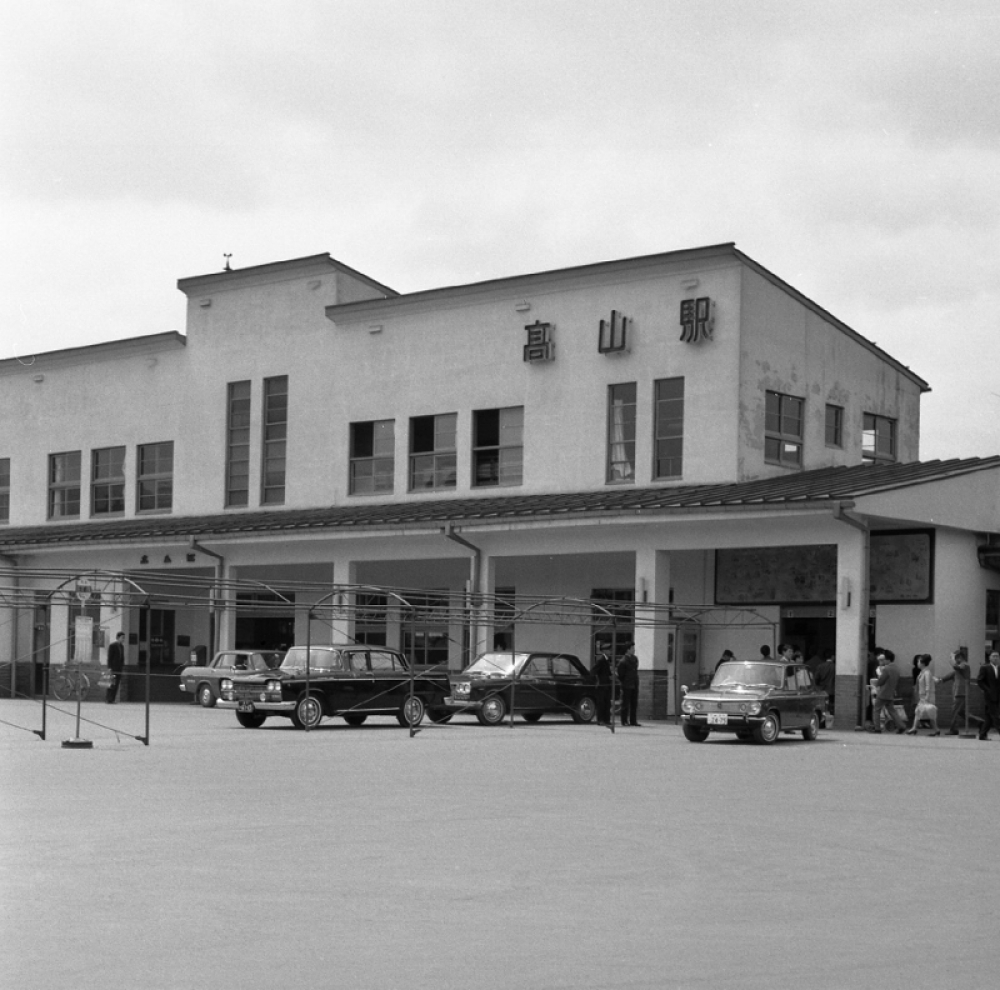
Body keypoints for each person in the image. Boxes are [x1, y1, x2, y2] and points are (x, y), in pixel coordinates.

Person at [869, 649, 907, 734]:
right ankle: (901, 726)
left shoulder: (886, 669)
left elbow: (881, 681)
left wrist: (876, 684)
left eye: (884, 659)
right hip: (890, 693)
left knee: (876, 709)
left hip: (883, 693)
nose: (883, 661)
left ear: (888, 659)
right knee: (892, 711)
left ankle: (877, 728)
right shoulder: (896, 669)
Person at [905, 655, 940, 736]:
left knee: (929, 712)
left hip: (927, 696)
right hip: (923, 696)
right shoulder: (923, 672)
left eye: (919, 661)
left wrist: (927, 696)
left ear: (923, 663)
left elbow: (928, 685)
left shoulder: (927, 672)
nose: (917, 663)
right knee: (918, 711)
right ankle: (916, 728)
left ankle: (934, 729)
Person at [938, 649, 970, 735]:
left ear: (959, 657)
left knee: (954, 711)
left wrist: (951, 659)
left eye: (955, 658)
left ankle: (954, 729)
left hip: (961, 692)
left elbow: (956, 668)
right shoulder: (960, 667)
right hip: (959, 692)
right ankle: (979, 722)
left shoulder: (964, 665)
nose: (954, 660)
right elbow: (952, 674)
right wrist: (941, 680)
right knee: (961, 712)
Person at [975, 650, 1000, 741]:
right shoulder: (985, 668)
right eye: (993, 656)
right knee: (995, 715)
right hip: (989, 696)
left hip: (997, 696)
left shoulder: (999, 668)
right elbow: (980, 680)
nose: (995, 658)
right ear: (989, 658)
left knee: (989, 717)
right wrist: (987, 690)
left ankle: (982, 734)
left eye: (997, 656)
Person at [617, 644, 640, 727]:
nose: (634, 650)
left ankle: (633, 720)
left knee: (634, 703)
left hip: (634, 683)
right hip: (626, 684)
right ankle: (624, 720)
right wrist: (624, 682)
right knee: (625, 703)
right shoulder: (623, 661)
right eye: (632, 648)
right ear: (627, 649)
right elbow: (621, 674)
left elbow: (635, 670)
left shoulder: (634, 659)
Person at [593, 647, 613, 725]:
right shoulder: (600, 660)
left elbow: (609, 671)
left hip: (607, 684)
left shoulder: (608, 660)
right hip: (601, 685)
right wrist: (597, 680)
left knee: (607, 703)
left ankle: (607, 719)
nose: (610, 651)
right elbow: (593, 671)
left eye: (610, 649)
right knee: (601, 703)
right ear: (604, 651)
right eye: (608, 650)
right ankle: (600, 719)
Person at [106, 631, 125, 704]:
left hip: (119, 668)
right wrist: (109, 667)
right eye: (122, 638)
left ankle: (113, 699)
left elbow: (122, 657)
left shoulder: (122, 647)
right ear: (118, 638)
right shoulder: (112, 646)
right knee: (111, 684)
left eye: (124, 638)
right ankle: (109, 699)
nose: (123, 639)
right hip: (113, 668)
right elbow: (110, 657)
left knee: (116, 684)